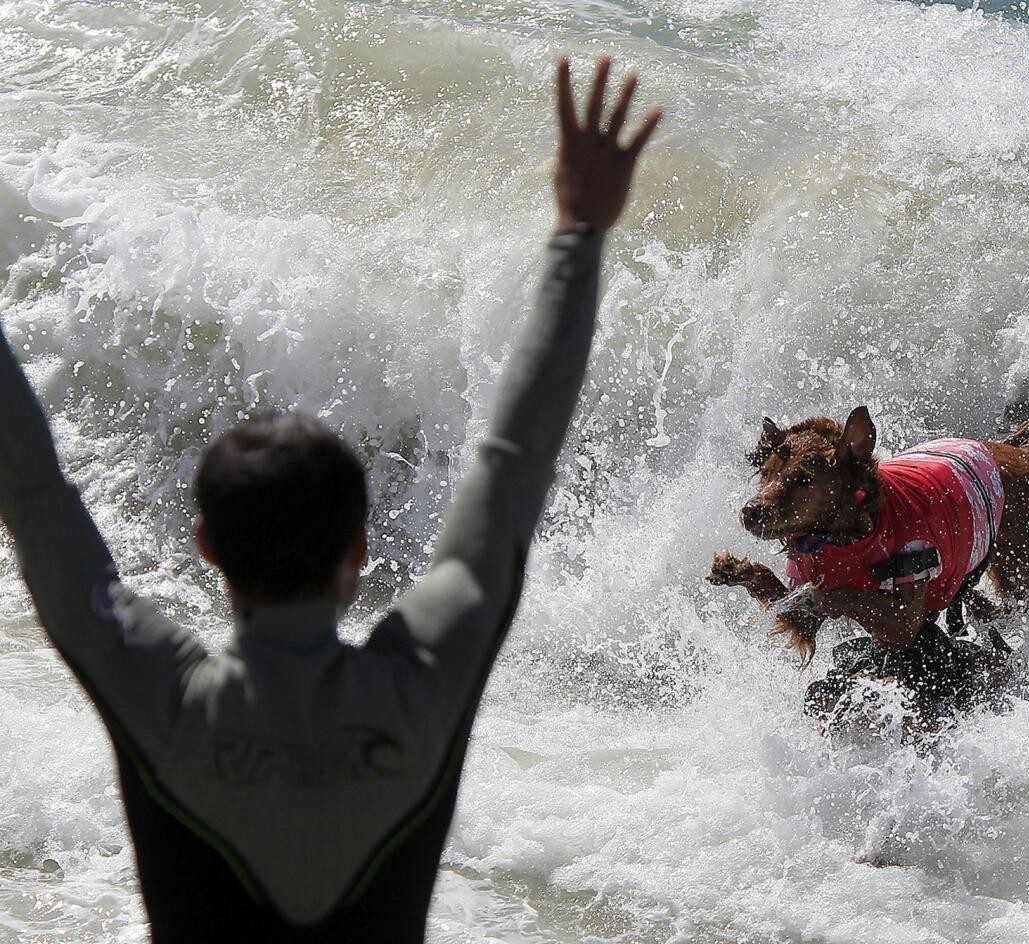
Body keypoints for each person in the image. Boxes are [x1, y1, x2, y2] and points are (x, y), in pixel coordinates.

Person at [0, 56, 659, 942]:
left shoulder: (164, 698)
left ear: (205, 545)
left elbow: (31, 490)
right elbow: (512, 462)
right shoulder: (420, 688)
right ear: (359, 547)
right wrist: (580, 232)